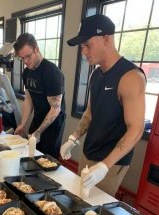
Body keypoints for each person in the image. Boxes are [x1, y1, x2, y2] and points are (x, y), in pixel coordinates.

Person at [60, 14, 146, 197]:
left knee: (96, 212)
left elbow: (136, 129)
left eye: (87, 45)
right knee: (78, 199)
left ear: (106, 39)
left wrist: (104, 166)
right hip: (89, 151)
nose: (83, 52)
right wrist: (73, 138)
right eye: (82, 46)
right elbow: (90, 112)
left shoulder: (131, 77)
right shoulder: (96, 74)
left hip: (111, 161)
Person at [13, 33, 66, 159]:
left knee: (46, 160)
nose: (25, 61)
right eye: (22, 58)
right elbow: (29, 99)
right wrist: (23, 124)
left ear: (36, 49)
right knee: (30, 154)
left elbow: (55, 109)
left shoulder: (52, 72)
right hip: (38, 118)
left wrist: (38, 133)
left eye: (28, 56)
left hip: (53, 123)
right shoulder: (26, 73)